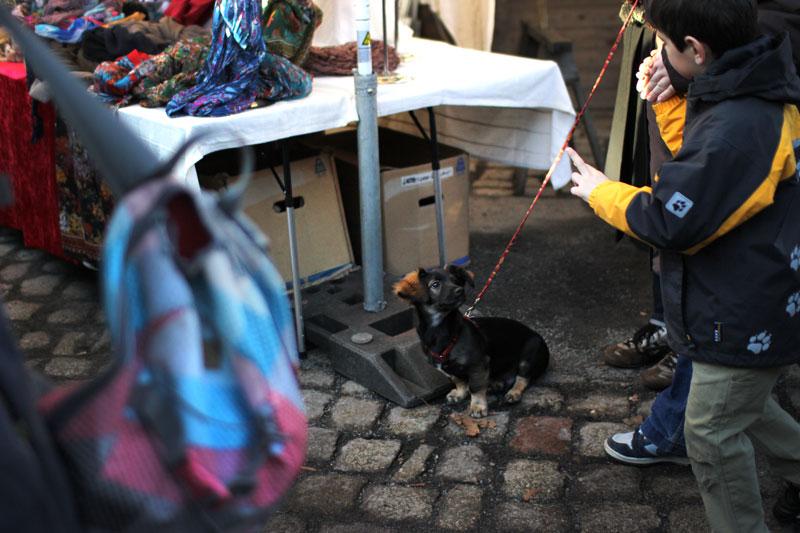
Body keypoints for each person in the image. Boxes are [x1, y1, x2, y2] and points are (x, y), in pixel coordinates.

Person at [568, 0, 800, 530]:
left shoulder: (738, 127)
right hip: (754, 300)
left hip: (739, 311)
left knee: (711, 432)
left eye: (666, 46)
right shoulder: (749, 84)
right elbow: (702, 168)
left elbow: (672, 219)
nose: (661, 56)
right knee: (746, 404)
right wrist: (669, 103)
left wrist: (601, 192)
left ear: (695, 49)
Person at [601, 0, 676, 393]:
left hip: (714, 78)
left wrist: (684, 64)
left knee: (694, 214)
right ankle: (667, 325)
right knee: (662, 196)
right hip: (670, 66)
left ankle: (696, 342)